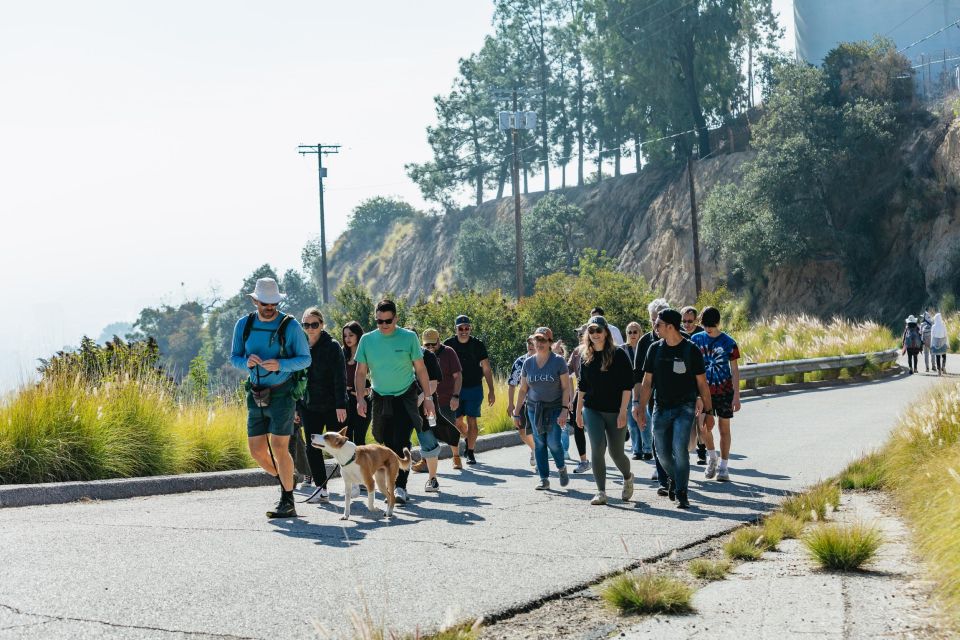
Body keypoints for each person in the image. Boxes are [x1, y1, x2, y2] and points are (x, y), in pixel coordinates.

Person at [229, 278, 311, 519]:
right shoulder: (243, 325)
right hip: (255, 393)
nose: (269, 307)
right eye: (265, 303)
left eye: (274, 303)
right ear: (255, 301)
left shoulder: (290, 326)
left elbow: (305, 359)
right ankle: (287, 478)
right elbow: (234, 357)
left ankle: (287, 500)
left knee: (278, 446)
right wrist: (246, 362)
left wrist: (281, 364)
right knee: (256, 451)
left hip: (283, 394)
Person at [355, 300, 440, 503]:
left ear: (396, 318)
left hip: (405, 396)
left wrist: (428, 399)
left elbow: (421, 369)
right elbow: (360, 373)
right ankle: (391, 481)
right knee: (384, 439)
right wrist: (360, 398)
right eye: (379, 321)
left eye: (388, 321)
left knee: (400, 440)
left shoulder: (408, 337)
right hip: (380, 397)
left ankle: (400, 487)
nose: (384, 325)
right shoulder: (367, 340)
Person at [634, 308, 712, 509]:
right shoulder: (654, 349)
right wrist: (641, 408)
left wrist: (708, 412)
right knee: (662, 453)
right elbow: (647, 381)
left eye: (658, 324)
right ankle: (676, 479)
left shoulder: (691, 350)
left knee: (679, 448)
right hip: (661, 407)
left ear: (670, 326)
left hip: (685, 407)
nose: (655, 327)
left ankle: (682, 493)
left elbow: (702, 384)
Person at [576, 316, 635, 506]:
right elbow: (582, 386)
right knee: (597, 448)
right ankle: (601, 491)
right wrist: (577, 412)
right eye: (591, 331)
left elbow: (627, 386)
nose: (594, 334)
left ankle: (627, 476)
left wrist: (623, 411)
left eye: (598, 331)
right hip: (592, 409)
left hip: (615, 410)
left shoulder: (618, 354)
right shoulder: (585, 356)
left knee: (616, 452)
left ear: (606, 332)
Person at [296, 308, 347, 503]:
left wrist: (341, 404)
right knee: (312, 447)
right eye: (306, 325)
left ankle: (352, 480)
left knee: (338, 447)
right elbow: (297, 379)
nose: (310, 328)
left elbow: (339, 378)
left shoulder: (332, 346)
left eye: (314, 324)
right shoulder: (300, 347)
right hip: (309, 406)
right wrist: (296, 408)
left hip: (333, 406)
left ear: (322, 324)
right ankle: (321, 488)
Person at [513, 327, 572, 490]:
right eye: (537, 340)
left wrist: (564, 410)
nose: (539, 343)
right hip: (534, 409)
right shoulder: (528, 363)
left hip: (554, 408)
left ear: (550, 343)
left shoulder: (558, 361)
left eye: (543, 340)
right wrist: (516, 412)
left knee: (553, 443)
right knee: (539, 444)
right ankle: (544, 478)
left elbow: (566, 388)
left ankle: (561, 468)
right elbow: (523, 389)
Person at [690, 306, 741, 482]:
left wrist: (736, 395)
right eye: (705, 325)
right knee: (703, 427)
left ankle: (724, 467)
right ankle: (712, 458)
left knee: (724, 429)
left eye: (711, 325)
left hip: (724, 391)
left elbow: (734, 370)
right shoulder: (695, 339)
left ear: (718, 323)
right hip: (703, 393)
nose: (708, 329)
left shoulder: (729, 343)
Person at [632, 298, 672, 493]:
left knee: (674, 437)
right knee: (658, 433)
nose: (655, 325)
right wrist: (636, 403)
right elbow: (637, 376)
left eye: (659, 320)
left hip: (678, 398)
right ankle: (663, 474)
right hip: (653, 397)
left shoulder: (679, 339)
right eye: (652, 320)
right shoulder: (645, 341)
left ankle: (672, 470)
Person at [444, 315, 495, 465]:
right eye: (461, 328)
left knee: (472, 419)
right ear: (456, 329)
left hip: (474, 388)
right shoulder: (449, 344)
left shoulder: (478, 345)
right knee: (457, 422)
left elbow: (486, 368)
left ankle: (471, 452)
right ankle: (468, 439)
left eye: (467, 328)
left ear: (470, 329)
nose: (464, 331)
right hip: (455, 390)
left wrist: (491, 390)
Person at [421, 328, 465, 468]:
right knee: (427, 429)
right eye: (427, 345)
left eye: (433, 344)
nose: (430, 348)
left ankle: (456, 456)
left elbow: (457, 376)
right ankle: (425, 460)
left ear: (439, 340)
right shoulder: (422, 355)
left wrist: (456, 396)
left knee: (448, 428)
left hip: (446, 399)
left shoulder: (448, 352)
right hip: (428, 399)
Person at [621, 321, 650, 461]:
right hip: (627, 389)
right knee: (632, 422)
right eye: (630, 332)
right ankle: (636, 449)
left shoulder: (646, 348)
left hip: (643, 387)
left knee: (645, 417)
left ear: (640, 333)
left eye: (635, 331)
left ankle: (648, 448)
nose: (632, 335)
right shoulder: (622, 349)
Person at [507, 337, 538, 466]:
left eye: (533, 343)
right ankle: (535, 449)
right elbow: (512, 383)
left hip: (541, 402)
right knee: (521, 430)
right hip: (524, 403)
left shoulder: (543, 360)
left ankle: (539, 453)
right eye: (528, 343)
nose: (530, 346)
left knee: (538, 431)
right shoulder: (520, 362)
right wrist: (511, 404)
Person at [342, 321, 371, 446]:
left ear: (358, 335)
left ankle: (363, 465)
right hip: (345, 401)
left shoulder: (367, 352)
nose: (347, 338)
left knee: (359, 438)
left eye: (351, 335)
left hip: (363, 400)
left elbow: (376, 377)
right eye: (345, 336)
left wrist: (366, 391)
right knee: (346, 439)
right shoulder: (341, 353)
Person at [565, 344, 592, 473]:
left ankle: (599, 461)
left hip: (599, 394)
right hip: (580, 393)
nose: (580, 336)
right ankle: (583, 461)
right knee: (578, 426)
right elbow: (567, 370)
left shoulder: (603, 349)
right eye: (579, 334)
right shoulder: (576, 351)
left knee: (600, 428)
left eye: (583, 333)